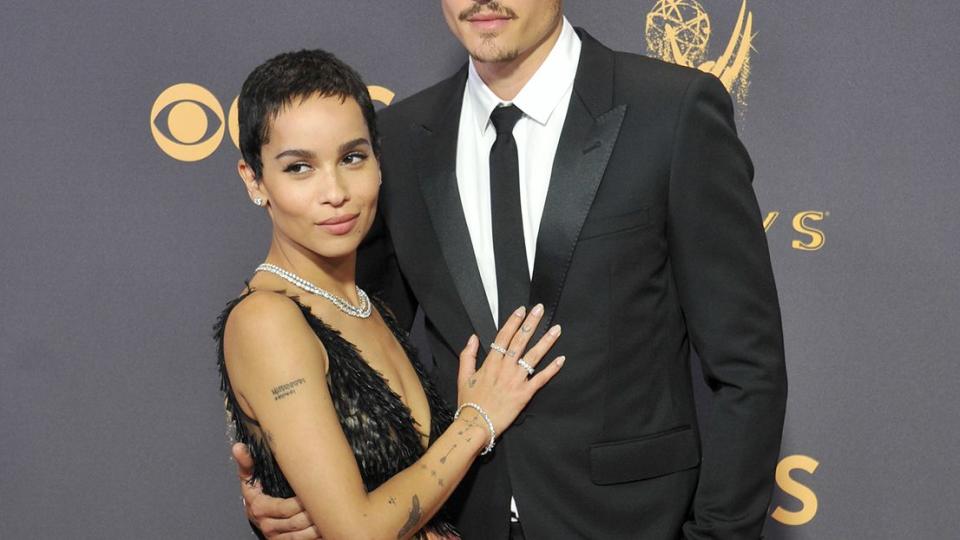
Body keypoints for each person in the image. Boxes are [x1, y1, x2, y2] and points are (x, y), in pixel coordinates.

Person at [238, 1, 788, 538]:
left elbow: (749, 367)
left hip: (636, 520)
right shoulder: (399, 140)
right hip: (460, 517)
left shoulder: (670, 112)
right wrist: (288, 482)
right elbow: (350, 345)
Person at [216, 49, 566, 540]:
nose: (334, 191)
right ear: (254, 181)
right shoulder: (266, 321)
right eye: (299, 168)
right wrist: (475, 420)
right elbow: (358, 533)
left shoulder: (367, 304)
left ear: (379, 163)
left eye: (352, 157)